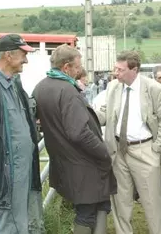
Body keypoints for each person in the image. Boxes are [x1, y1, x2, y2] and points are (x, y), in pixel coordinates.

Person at [33, 44, 116, 234]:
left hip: (65, 161)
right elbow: (78, 132)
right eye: (77, 67)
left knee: (101, 204)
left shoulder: (41, 87)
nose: (79, 71)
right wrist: (102, 151)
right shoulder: (67, 91)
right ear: (66, 67)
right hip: (83, 163)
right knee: (87, 212)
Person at [95, 50, 161, 234]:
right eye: (115, 69)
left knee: (151, 202)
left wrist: (156, 149)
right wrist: (85, 112)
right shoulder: (113, 87)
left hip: (145, 150)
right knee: (121, 202)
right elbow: (105, 113)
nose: (115, 73)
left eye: (120, 69)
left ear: (134, 69)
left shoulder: (154, 89)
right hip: (118, 151)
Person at [0, 34, 44, 234]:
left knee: (20, 221)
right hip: (5, 172)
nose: (26, 59)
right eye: (23, 54)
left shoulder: (14, 84)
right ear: (8, 55)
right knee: (10, 224)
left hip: (22, 169)